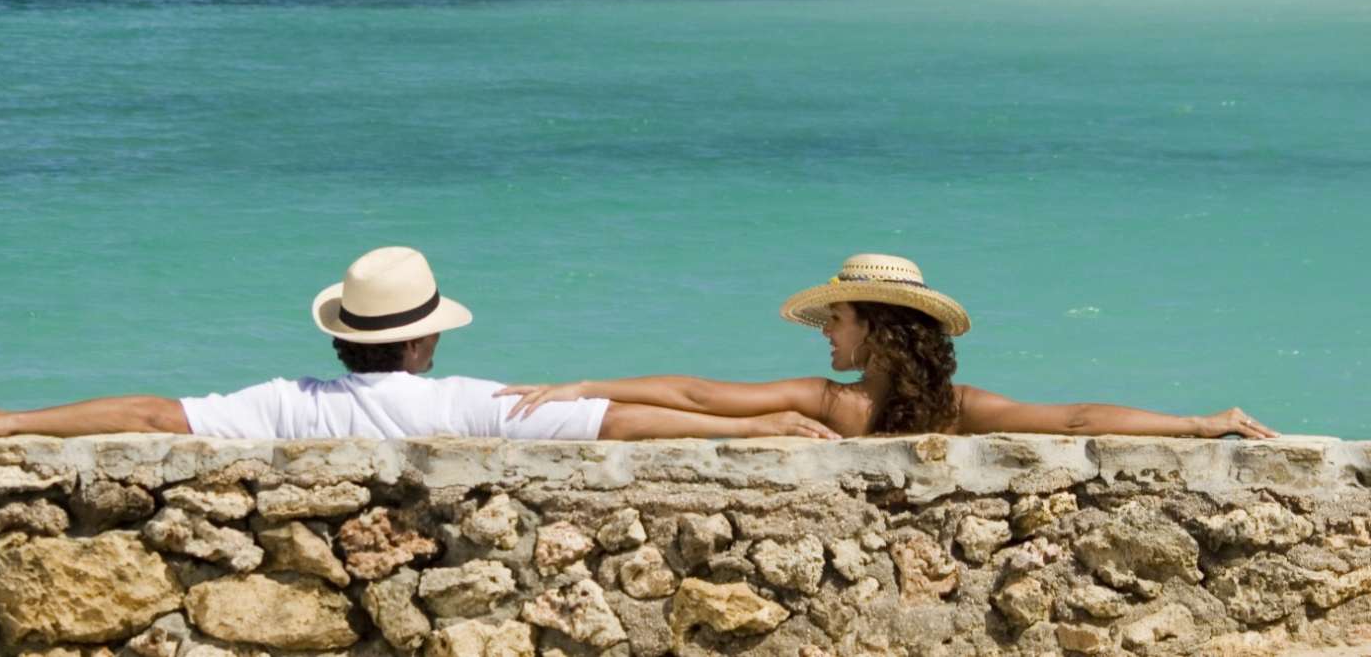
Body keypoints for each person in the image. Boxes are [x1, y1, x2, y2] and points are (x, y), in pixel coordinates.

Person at [0, 247, 834, 441]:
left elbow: (149, 412)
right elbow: (623, 424)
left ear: (349, 336)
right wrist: (758, 430)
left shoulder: (287, 403)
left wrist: (14, 422)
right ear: (426, 340)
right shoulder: (467, 402)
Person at [500, 253, 1276, 440]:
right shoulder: (955, 408)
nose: (827, 332)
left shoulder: (830, 402)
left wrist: (582, 386)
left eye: (836, 318)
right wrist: (1194, 426)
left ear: (872, 324)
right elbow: (1071, 418)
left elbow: (701, 396)